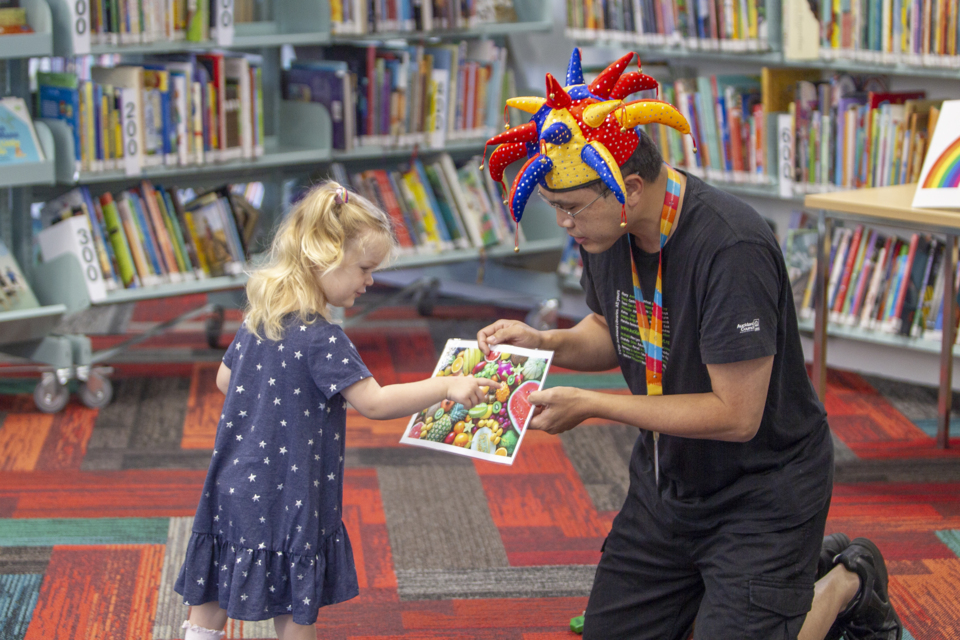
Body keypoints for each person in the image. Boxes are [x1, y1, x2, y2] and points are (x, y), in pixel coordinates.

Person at [477, 48, 903, 640]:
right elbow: (613, 330)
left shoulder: (732, 249)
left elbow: (736, 416)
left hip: (762, 489)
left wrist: (594, 404)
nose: (564, 225)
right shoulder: (607, 236)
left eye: (570, 209)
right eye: (555, 210)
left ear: (625, 188)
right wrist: (544, 340)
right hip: (668, 481)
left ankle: (843, 581)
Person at [174, 182, 493, 640]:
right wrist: (446, 385)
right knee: (294, 605)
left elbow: (226, 381)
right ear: (323, 257)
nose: (369, 281)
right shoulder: (324, 339)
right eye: (364, 268)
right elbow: (376, 403)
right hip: (292, 493)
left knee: (211, 596)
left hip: (234, 483)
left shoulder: (259, 318)